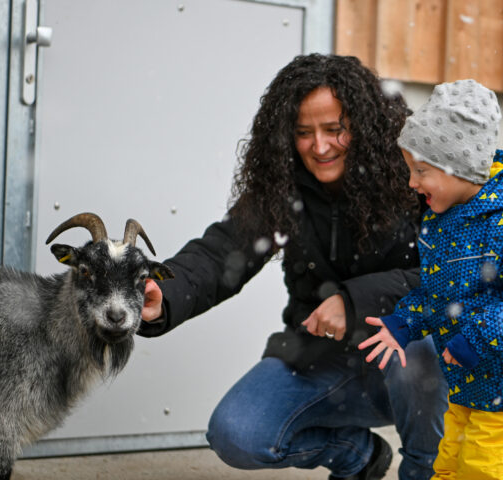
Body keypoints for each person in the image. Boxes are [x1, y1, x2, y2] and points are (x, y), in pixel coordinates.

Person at [140, 54, 448, 480]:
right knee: (237, 433)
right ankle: (357, 456)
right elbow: (221, 251)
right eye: (304, 133)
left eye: (334, 129)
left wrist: (353, 301)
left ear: (362, 124)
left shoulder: (414, 177)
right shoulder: (282, 188)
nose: (319, 147)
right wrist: (164, 292)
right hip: (320, 358)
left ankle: (425, 472)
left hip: (407, 368)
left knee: (418, 347)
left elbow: (452, 275)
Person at [359, 79, 503, 479]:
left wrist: (477, 335)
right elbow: (439, 292)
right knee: (449, 465)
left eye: (421, 171)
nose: (412, 183)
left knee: (486, 471)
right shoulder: (444, 222)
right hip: (470, 383)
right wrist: (406, 321)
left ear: (458, 167)